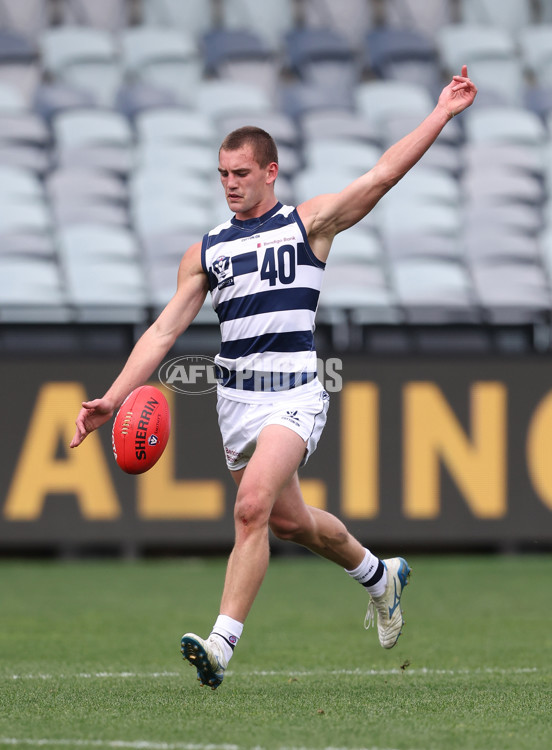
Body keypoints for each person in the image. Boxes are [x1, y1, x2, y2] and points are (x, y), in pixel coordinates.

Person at [70, 66, 477, 689]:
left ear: (270, 172)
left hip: (295, 397)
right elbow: (162, 333)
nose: (230, 185)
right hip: (235, 403)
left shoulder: (307, 224)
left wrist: (441, 113)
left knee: (251, 507)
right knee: (290, 523)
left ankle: (220, 647)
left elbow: (382, 175)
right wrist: (113, 398)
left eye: (241, 173)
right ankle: (379, 575)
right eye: (222, 174)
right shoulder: (205, 251)